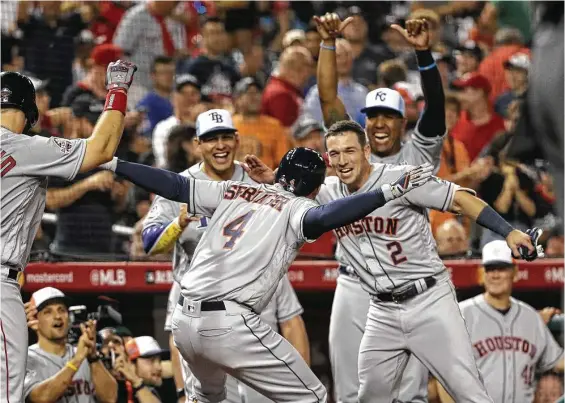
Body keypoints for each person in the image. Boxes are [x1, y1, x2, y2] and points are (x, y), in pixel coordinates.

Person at [98, 127, 435, 401]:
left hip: (184, 322)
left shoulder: (233, 190)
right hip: (227, 323)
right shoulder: (298, 208)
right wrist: (388, 192)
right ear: (316, 188)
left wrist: (116, 164)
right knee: (313, 397)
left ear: (280, 174)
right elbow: (328, 214)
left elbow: (173, 184)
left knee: (207, 398)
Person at [247, 116, 541, 403]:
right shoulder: (328, 191)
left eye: (350, 150)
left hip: (429, 301)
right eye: (334, 153)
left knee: (468, 392)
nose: (343, 160)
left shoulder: (401, 179)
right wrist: (275, 178)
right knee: (371, 396)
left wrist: (509, 232)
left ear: (365, 150)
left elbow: (460, 199)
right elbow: (292, 192)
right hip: (381, 310)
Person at [313, 14, 447, 403]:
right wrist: (327, 45)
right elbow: (327, 99)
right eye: (374, 116)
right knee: (352, 393)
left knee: (410, 395)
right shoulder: (349, 147)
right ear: (365, 122)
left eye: (390, 116)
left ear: (403, 122)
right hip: (354, 282)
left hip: (407, 285)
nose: (381, 123)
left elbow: (436, 106)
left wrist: (423, 53)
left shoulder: (417, 153)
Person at [142, 109, 309, 403]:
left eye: (225, 138)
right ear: (197, 145)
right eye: (210, 139)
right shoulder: (182, 184)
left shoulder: (257, 178)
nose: (219, 146)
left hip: (251, 298)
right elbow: (150, 242)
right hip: (197, 301)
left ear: (236, 139)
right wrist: (178, 224)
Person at [0, 63, 136, 403]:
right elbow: (101, 148)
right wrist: (117, 89)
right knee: (8, 392)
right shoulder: (24, 146)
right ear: (30, 110)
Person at [434, 240, 564, 403]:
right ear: (482, 274)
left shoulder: (529, 316)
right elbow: (443, 373)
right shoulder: (461, 315)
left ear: (514, 272)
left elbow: (558, 361)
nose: (495, 275)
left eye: (501, 268)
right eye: (490, 269)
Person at [23, 287, 117, 403]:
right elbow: (40, 398)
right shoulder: (26, 358)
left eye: (61, 310)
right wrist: (76, 361)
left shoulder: (86, 354)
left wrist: (93, 356)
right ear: (35, 320)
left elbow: (110, 398)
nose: (57, 316)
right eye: (48, 312)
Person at [303, 38, 368, 126]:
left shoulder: (362, 91)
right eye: (338, 56)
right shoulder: (317, 92)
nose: (344, 60)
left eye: (347, 55)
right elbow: (312, 124)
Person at [152, 74, 203, 168]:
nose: (189, 98)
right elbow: (165, 162)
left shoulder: (205, 124)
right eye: (183, 93)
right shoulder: (163, 127)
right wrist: (190, 123)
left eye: (194, 93)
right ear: (173, 98)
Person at [261, 46, 314, 127]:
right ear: (291, 69)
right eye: (301, 70)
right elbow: (283, 132)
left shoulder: (288, 90)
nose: (307, 76)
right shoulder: (279, 94)